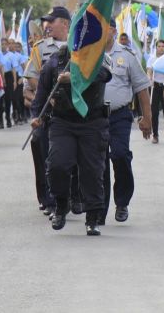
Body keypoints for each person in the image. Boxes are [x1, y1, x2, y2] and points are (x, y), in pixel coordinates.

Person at [31, 44, 112, 236]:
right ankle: (61, 204)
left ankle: (92, 217)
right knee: (57, 164)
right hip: (63, 122)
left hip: (92, 122)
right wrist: (37, 116)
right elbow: (42, 93)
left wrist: (75, 77)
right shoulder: (54, 62)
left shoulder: (98, 58)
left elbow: (105, 75)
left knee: (92, 170)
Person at [101, 20, 152, 224]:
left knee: (120, 156)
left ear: (113, 31)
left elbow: (141, 86)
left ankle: (122, 202)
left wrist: (147, 118)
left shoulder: (127, 56)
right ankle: (99, 208)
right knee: (98, 163)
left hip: (119, 115)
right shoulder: (89, 54)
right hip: (95, 117)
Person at [24, 6, 70, 216]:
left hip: (70, 111)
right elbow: (32, 76)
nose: (47, 25)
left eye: (52, 21)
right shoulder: (40, 48)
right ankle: (48, 199)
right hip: (46, 110)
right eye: (47, 22)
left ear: (65, 23)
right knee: (39, 145)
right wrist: (45, 94)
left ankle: (70, 196)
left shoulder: (77, 47)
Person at [146, 39, 164, 142]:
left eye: (163, 46)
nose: (161, 48)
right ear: (156, 47)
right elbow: (149, 70)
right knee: (154, 112)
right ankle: (155, 135)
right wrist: (149, 78)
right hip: (155, 86)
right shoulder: (152, 59)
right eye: (159, 46)